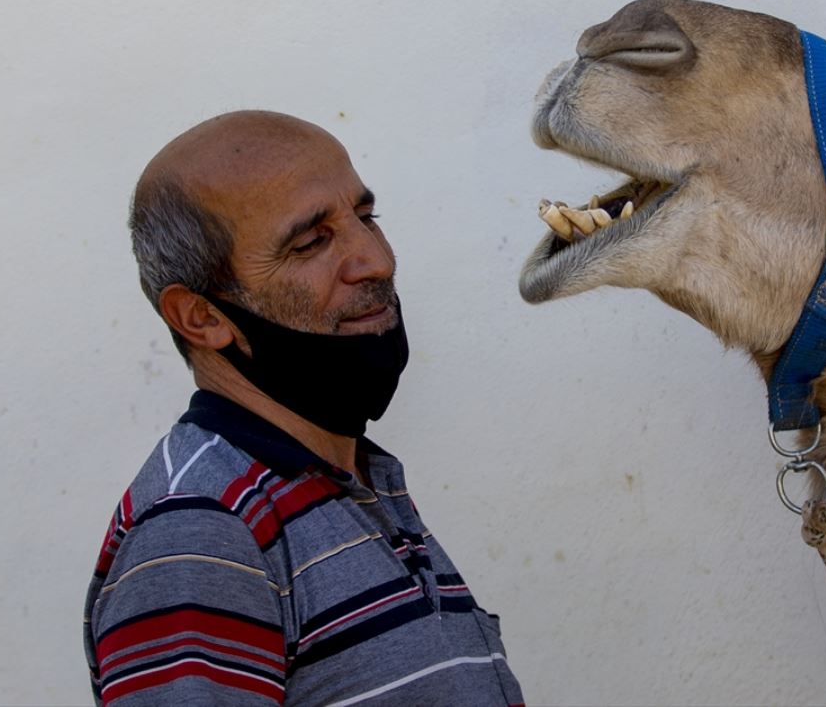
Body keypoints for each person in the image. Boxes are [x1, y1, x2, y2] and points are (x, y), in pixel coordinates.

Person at [83, 111, 523, 705]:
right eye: (311, 242)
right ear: (202, 316)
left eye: (367, 218)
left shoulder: (353, 478)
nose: (375, 260)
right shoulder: (203, 530)